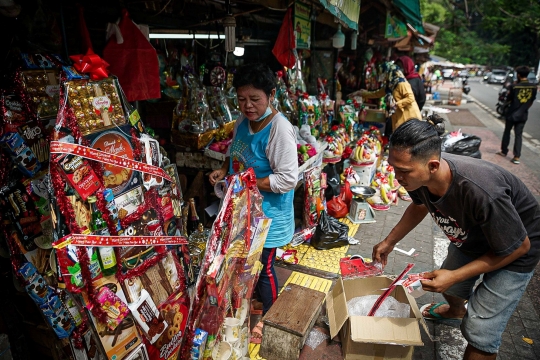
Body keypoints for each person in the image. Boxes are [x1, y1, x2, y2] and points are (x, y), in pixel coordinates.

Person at [372, 119, 540, 360]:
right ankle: (455, 311)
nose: (396, 176)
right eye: (394, 167)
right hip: (474, 238)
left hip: (516, 248)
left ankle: (476, 331)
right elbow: (419, 206)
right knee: (450, 287)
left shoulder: (481, 191)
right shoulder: (417, 178)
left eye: (404, 171)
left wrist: (454, 274)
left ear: (432, 166)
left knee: (480, 330)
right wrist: (390, 241)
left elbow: (520, 247)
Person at [208, 63, 298, 343]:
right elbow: (236, 151)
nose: (247, 106)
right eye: (241, 99)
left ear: (271, 95)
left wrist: (244, 182)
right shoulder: (242, 122)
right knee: (246, 264)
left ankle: (271, 316)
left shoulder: (279, 130)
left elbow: (287, 179)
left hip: (269, 215)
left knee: (265, 267)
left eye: (255, 99)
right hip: (244, 210)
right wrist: (225, 170)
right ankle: (252, 302)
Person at [349, 62, 421, 132]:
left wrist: (396, 104)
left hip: (409, 116)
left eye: (383, 73)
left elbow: (410, 98)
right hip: (399, 117)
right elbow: (376, 94)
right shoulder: (389, 86)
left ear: (389, 72)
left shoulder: (402, 83)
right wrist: (361, 93)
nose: (382, 76)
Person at [496, 65, 537, 164]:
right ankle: (517, 156)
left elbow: (508, 100)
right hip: (523, 114)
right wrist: (524, 108)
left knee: (507, 132)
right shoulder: (533, 87)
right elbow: (531, 101)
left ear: (518, 75)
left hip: (512, 113)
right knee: (519, 135)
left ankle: (504, 151)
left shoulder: (514, 86)